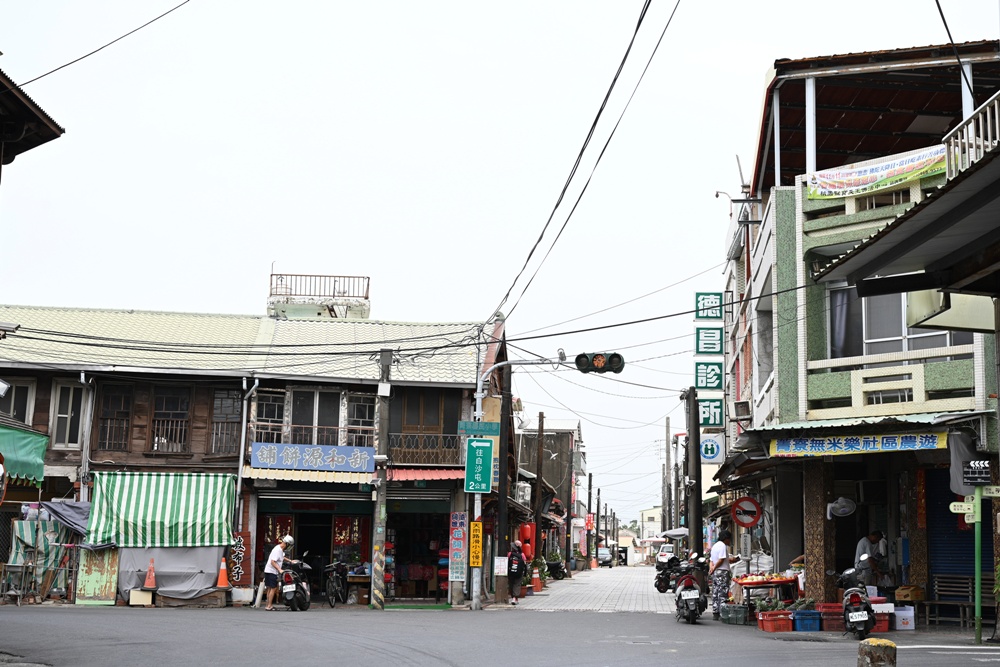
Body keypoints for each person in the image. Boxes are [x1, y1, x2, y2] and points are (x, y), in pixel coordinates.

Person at [708, 529, 740, 620]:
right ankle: (723, 614)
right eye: (729, 539)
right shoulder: (722, 546)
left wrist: (712, 568)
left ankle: (715, 612)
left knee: (715, 592)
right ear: (726, 538)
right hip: (722, 572)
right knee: (722, 593)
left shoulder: (715, 546)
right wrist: (714, 568)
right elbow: (721, 560)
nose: (730, 541)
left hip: (715, 572)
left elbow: (712, 560)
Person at [264, 535, 295, 611]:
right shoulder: (278, 550)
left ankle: (268, 605)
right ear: (287, 543)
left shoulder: (280, 549)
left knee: (269, 588)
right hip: (271, 571)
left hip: (268, 570)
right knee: (273, 588)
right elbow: (272, 562)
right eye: (289, 545)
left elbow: (282, 557)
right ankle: (269, 606)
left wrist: (290, 561)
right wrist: (279, 569)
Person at [507, 540, 526, 606]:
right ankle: (515, 598)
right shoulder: (522, 555)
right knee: (517, 584)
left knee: (511, 584)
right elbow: (524, 563)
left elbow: (507, 562)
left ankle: (514, 597)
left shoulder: (510, 554)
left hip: (511, 572)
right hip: (519, 573)